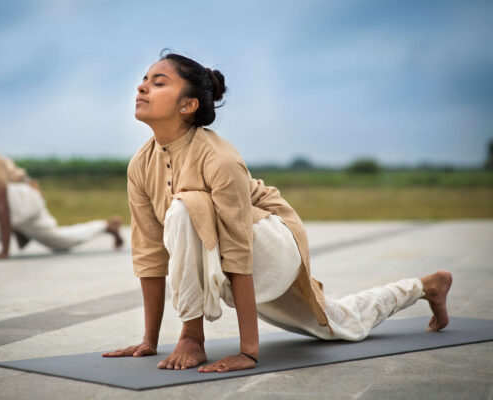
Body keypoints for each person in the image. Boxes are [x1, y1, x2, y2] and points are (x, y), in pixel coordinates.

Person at [102, 53, 452, 373]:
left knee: (185, 207)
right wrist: (149, 341)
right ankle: (425, 287)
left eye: (158, 82)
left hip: (269, 244)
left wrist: (249, 352)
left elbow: (239, 247)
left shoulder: (219, 158)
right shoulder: (140, 165)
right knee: (338, 322)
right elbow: (150, 253)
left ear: (188, 105)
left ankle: (192, 337)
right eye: (146, 79)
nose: (142, 85)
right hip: (221, 259)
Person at [0, 113, 123, 260]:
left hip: (25, 198)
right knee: (61, 241)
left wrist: (3, 252)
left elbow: (2, 203)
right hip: (12, 206)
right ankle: (107, 226)